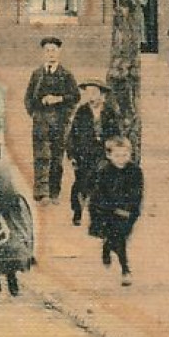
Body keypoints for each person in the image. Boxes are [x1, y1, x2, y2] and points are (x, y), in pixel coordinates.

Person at [23, 36, 80, 204]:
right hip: (41, 121)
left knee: (56, 157)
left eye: (54, 50)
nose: (50, 54)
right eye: (47, 51)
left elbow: (75, 96)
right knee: (41, 156)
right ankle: (41, 193)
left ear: (59, 52)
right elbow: (28, 97)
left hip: (60, 120)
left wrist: (59, 99)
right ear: (43, 53)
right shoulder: (37, 74)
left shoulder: (66, 75)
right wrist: (34, 113)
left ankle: (54, 192)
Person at [0, 138, 35, 296]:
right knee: (11, 245)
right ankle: (12, 282)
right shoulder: (5, 167)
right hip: (8, 212)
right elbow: (10, 191)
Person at [89, 137, 144, 286]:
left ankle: (107, 246)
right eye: (117, 156)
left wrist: (131, 210)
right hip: (108, 212)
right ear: (109, 156)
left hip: (128, 212)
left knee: (121, 237)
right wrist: (111, 209)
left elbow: (137, 193)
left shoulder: (135, 171)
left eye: (124, 155)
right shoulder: (105, 171)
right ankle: (125, 270)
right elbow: (98, 195)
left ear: (130, 154)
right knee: (119, 239)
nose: (121, 159)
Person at [65, 81, 111, 227]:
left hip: (103, 154)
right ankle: (77, 211)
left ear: (102, 95)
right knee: (81, 184)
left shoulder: (109, 112)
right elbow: (73, 135)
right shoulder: (82, 112)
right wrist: (72, 155)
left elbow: (116, 134)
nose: (91, 96)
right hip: (84, 154)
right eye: (88, 92)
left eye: (94, 93)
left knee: (103, 184)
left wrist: (114, 151)